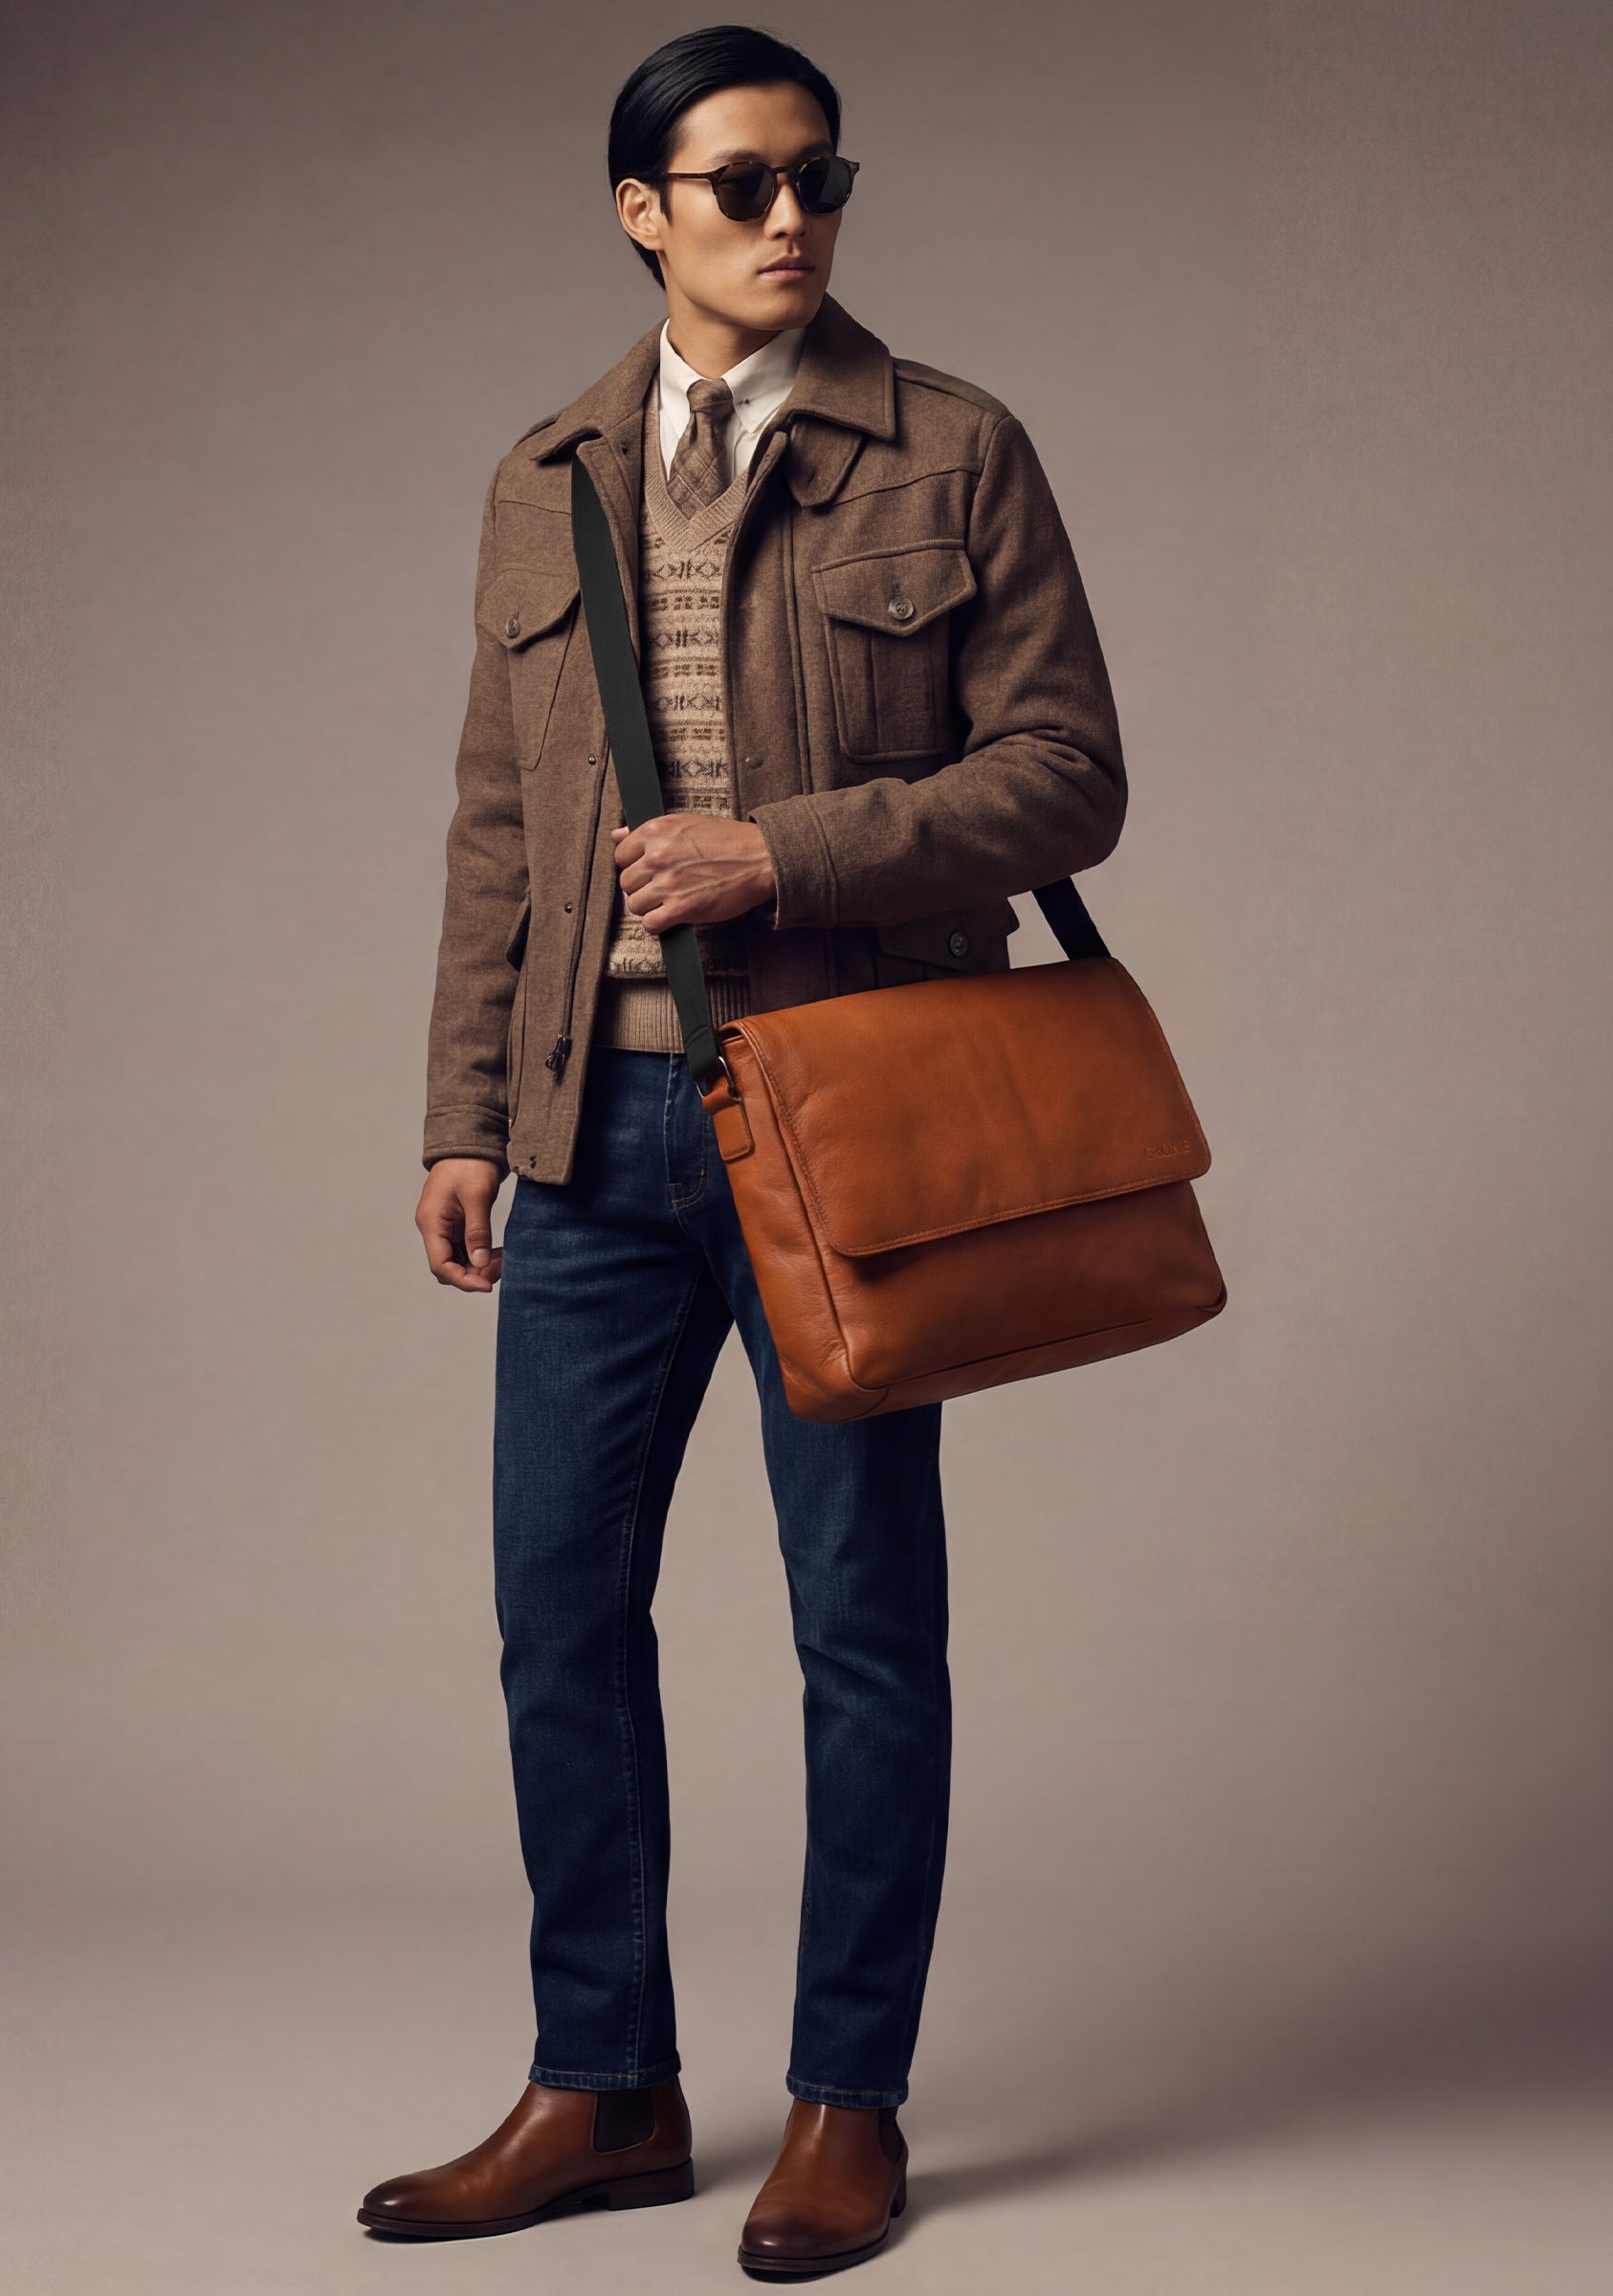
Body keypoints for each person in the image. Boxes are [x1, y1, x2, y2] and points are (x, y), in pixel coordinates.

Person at [359, 22, 1125, 2277]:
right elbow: (497, 826)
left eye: (823, 179)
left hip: (843, 1119)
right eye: (743, 185)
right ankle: (602, 2086)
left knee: (862, 1628)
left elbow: (1068, 776)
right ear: (643, 213)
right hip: (591, 1135)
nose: (794, 218)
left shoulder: (955, 450)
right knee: (556, 1615)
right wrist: (461, 1112)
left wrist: (782, 851)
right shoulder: (545, 477)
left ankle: (846, 2104)